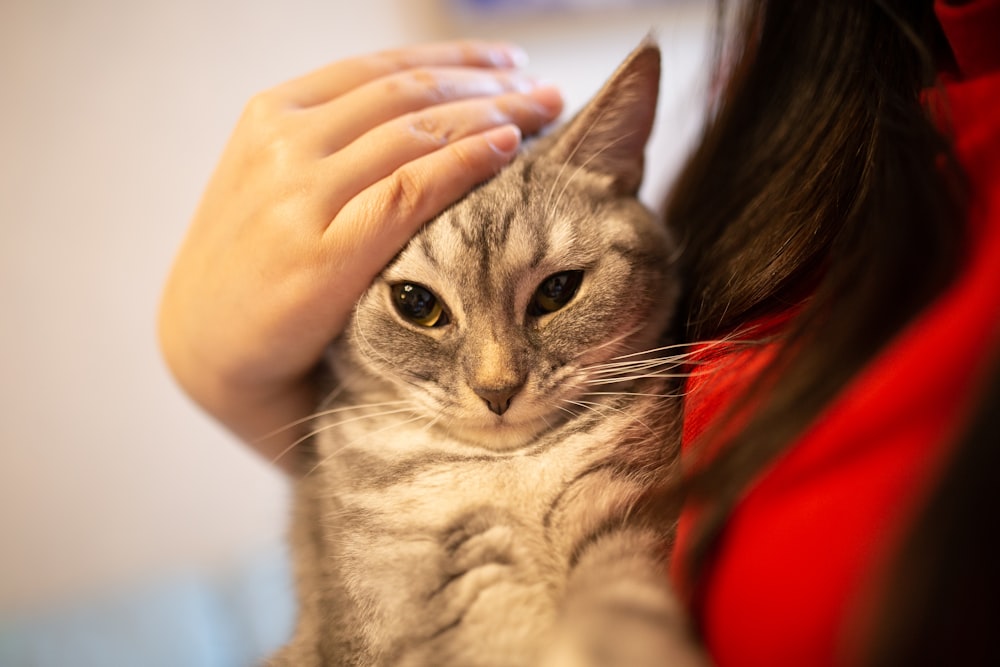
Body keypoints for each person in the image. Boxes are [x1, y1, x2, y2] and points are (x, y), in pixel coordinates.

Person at [158, 1, 1000, 664]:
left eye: (555, 290)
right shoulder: (805, 117)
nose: (496, 375)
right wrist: (224, 372)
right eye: (421, 305)